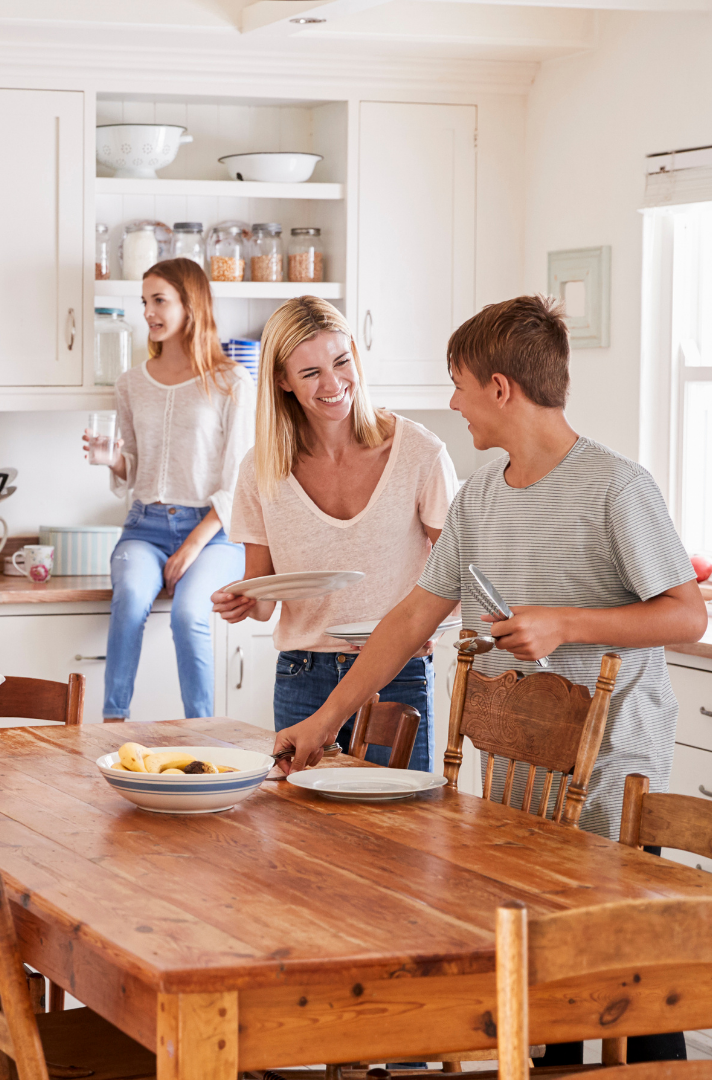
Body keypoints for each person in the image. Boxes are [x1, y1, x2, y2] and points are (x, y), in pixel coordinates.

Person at [271, 294, 707, 1066]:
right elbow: (409, 620)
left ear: (500, 389)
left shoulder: (616, 486)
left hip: (609, 768)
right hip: (520, 769)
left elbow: (684, 615)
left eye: (459, 383)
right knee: (550, 979)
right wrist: (326, 721)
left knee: (615, 972)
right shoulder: (478, 498)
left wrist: (568, 622)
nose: (452, 402)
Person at [211, 296, 458, 769]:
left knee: (400, 830)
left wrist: (434, 625)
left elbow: (456, 569)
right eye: (310, 373)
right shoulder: (261, 469)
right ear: (282, 381)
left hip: (396, 672)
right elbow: (264, 600)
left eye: (341, 362)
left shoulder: (419, 452)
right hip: (303, 672)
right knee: (302, 830)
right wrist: (242, 601)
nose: (333, 384)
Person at [86, 258, 255, 721]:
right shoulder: (131, 384)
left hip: (215, 533)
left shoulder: (231, 381)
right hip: (146, 526)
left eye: (160, 300)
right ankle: (111, 722)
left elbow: (240, 478)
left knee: (187, 615)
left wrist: (192, 547)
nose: (149, 312)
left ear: (190, 305)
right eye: (145, 302)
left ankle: (201, 730)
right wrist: (112, 459)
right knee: (130, 601)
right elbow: (135, 465)